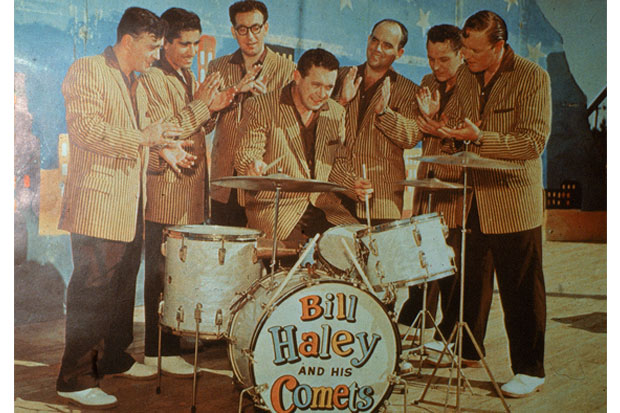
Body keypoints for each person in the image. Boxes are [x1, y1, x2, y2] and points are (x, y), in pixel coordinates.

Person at [56, 7, 181, 408]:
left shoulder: (137, 82)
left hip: (129, 208)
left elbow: (142, 139)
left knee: (119, 290)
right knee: (92, 292)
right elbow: (87, 130)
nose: (156, 56)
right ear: (128, 41)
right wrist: (145, 138)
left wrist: (164, 150)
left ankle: (112, 358)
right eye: (152, 47)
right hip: (97, 206)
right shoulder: (88, 70)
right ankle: (73, 380)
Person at [436, 10, 551, 398]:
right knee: (471, 282)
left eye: (473, 50)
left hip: (513, 200)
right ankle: (468, 352)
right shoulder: (468, 76)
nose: (465, 56)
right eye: (464, 49)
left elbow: (532, 142)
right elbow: (460, 124)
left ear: (499, 46)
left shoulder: (533, 77)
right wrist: (448, 131)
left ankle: (530, 369)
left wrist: (480, 137)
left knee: (521, 289)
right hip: (473, 198)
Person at [137, 7, 225, 378]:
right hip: (165, 194)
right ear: (166, 44)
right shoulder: (153, 78)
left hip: (188, 194)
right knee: (161, 276)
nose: (192, 51)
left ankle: (170, 343)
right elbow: (168, 130)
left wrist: (215, 107)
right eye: (184, 44)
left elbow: (198, 125)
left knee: (179, 273)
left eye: (195, 43)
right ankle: (157, 350)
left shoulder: (186, 75)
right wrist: (203, 104)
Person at [396, 24, 478, 362]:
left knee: (452, 268)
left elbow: (469, 136)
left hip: (457, 190)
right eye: (431, 58)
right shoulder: (429, 82)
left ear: (462, 54)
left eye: (444, 59)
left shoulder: (473, 85)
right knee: (424, 260)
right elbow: (420, 129)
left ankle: (450, 333)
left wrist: (440, 127)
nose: (436, 66)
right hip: (428, 187)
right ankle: (419, 324)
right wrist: (427, 121)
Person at [235, 48, 367, 248]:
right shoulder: (261, 106)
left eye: (329, 87)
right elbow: (248, 151)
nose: (322, 94)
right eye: (316, 85)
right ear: (297, 77)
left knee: (361, 245)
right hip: (278, 210)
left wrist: (354, 185)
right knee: (300, 256)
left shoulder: (336, 112)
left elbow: (337, 166)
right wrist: (252, 165)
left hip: (325, 208)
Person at [207, 0, 296, 226]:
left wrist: (266, 103)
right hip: (225, 180)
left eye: (256, 28)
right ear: (233, 31)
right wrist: (233, 91)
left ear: (266, 28)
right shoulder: (218, 67)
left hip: (264, 177)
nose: (251, 36)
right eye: (243, 30)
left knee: (263, 246)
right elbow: (206, 124)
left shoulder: (287, 69)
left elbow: (292, 127)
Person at [333, 19, 425, 226]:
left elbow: (411, 136)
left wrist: (384, 113)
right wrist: (341, 102)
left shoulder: (409, 90)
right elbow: (321, 124)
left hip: (381, 200)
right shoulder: (342, 75)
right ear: (368, 39)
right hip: (338, 192)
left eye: (387, 45)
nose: (377, 48)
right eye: (375, 40)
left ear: (399, 53)